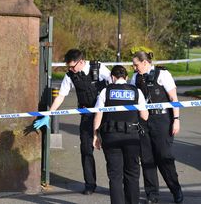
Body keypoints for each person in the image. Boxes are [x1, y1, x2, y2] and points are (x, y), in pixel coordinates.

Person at [34, 49, 112, 195]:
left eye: (72, 66)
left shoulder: (98, 67)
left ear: (81, 62)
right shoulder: (70, 76)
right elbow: (61, 96)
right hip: (87, 115)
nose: (70, 69)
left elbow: (113, 83)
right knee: (86, 150)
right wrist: (49, 114)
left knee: (110, 150)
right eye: (68, 67)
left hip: (105, 114)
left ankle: (115, 184)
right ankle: (90, 184)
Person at [130, 51, 183, 203]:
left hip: (162, 119)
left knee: (164, 156)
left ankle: (176, 189)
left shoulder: (163, 74)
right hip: (143, 121)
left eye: (136, 64)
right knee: (147, 158)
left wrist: (176, 119)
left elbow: (174, 98)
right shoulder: (135, 77)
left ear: (145, 62)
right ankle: (152, 195)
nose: (134, 67)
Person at [93, 65, 148, 204]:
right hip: (131, 137)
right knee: (132, 174)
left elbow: (98, 116)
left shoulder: (106, 91)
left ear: (112, 77)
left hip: (111, 136)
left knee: (115, 176)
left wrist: (95, 135)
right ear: (127, 77)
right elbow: (145, 116)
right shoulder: (137, 92)